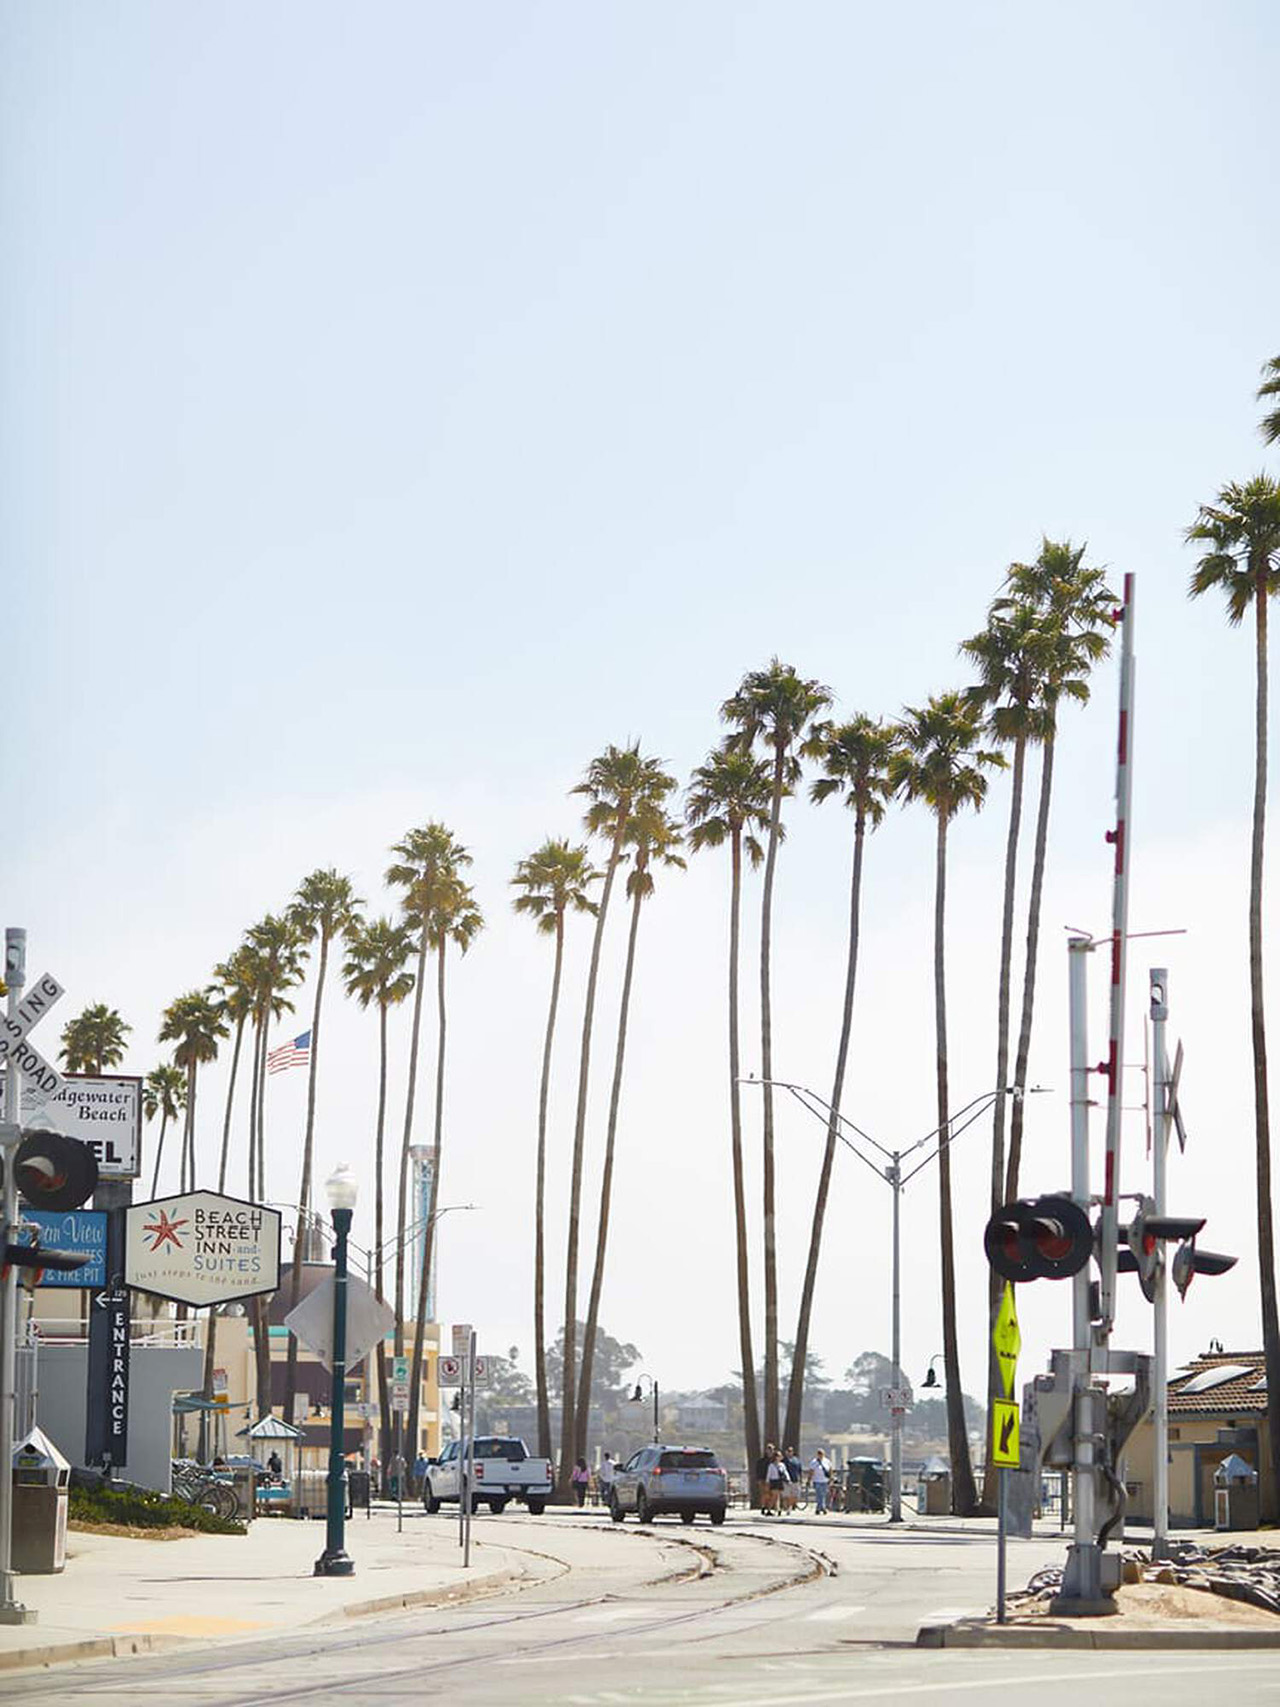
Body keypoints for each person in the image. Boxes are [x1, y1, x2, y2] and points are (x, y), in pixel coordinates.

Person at [766, 1448, 791, 1514]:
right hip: (774, 1481)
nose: (780, 1457)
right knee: (774, 1496)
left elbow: (785, 1472)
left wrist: (788, 1479)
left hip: (780, 1481)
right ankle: (769, 1509)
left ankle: (778, 1508)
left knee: (779, 1495)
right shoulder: (771, 1465)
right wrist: (767, 1481)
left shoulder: (782, 1465)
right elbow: (769, 1474)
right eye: (779, 1456)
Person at [808, 1448, 830, 1515]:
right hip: (817, 1480)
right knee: (819, 1494)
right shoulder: (814, 1462)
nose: (820, 1455)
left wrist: (831, 1478)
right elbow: (811, 1471)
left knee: (823, 1494)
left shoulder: (827, 1461)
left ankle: (819, 1508)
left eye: (821, 1454)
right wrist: (809, 1480)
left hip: (824, 1480)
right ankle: (822, 1507)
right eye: (819, 1454)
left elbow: (830, 1470)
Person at [756, 1442, 777, 1514]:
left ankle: (769, 1509)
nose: (771, 1451)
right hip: (763, 1479)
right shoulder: (761, 1461)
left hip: (773, 1480)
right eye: (769, 1449)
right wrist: (759, 1479)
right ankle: (763, 1507)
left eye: (772, 1449)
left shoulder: (775, 1461)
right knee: (764, 1494)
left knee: (772, 1494)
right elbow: (758, 1470)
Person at [782, 1446, 802, 1514]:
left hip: (795, 1480)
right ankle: (786, 1507)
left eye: (791, 1451)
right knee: (786, 1495)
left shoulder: (796, 1460)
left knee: (794, 1495)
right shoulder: (783, 1461)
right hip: (786, 1480)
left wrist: (800, 1479)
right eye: (788, 1451)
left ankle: (790, 1506)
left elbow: (799, 1470)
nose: (789, 1452)